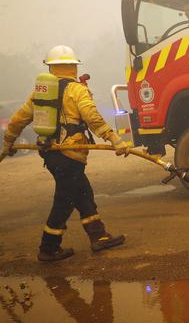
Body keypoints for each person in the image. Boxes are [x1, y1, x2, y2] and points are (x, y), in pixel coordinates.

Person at [0, 45, 130, 262]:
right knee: (65, 199)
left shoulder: (39, 92)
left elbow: (18, 119)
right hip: (70, 153)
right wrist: (114, 139)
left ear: (51, 67)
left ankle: (99, 236)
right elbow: (92, 117)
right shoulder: (78, 90)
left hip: (50, 153)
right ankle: (48, 248)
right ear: (73, 67)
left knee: (82, 192)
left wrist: (8, 142)